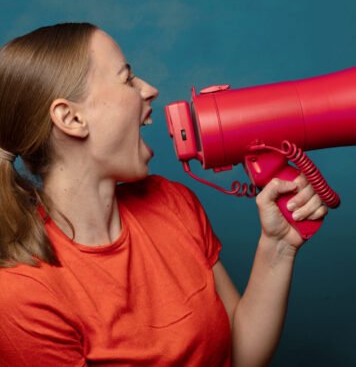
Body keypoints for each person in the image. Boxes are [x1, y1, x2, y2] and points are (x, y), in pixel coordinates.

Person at [0, 23, 327, 367]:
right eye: (127, 79)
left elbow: (240, 354)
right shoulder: (22, 294)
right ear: (71, 117)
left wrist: (277, 247)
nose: (150, 90)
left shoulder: (171, 201)